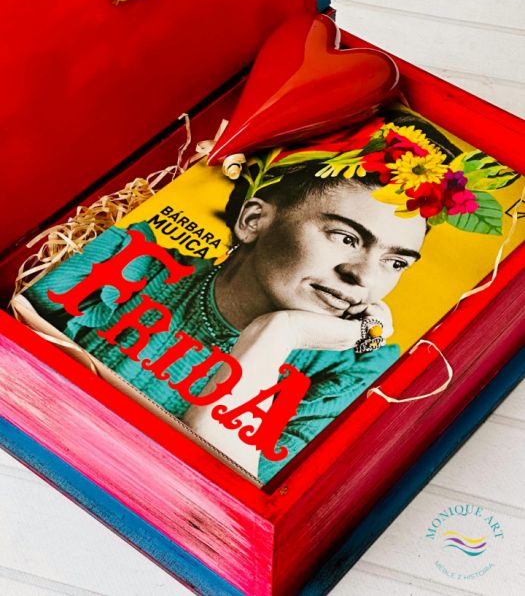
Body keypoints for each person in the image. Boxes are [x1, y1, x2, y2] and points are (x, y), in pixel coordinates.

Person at [24, 107, 515, 482]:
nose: (362, 276)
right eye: (346, 237)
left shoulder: (353, 373)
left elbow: (223, 484)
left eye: (395, 262)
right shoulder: (130, 259)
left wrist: (280, 333)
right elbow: (20, 326)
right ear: (254, 219)